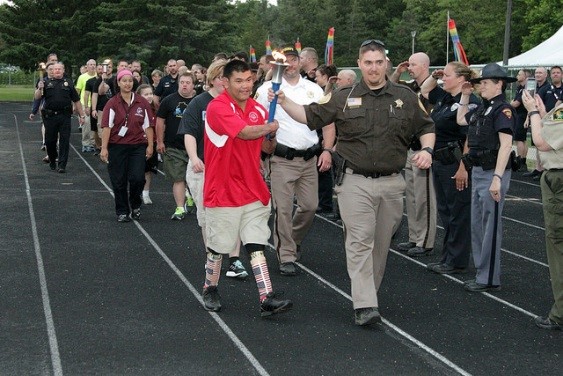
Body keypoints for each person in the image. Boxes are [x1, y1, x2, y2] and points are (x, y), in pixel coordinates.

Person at [270, 39, 435, 325]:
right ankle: (365, 305)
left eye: (378, 62)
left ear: (386, 64)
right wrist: (284, 102)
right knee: (360, 241)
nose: (373, 68)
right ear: (359, 65)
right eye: (367, 62)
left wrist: (427, 150)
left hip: (393, 183)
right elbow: (310, 115)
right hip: (354, 182)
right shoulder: (342, 95)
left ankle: (368, 293)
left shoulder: (405, 96)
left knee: (380, 245)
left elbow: (426, 127)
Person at [200, 59, 292, 316]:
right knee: (219, 245)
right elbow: (243, 133)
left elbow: (266, 148)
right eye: (238, 81)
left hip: (253, 187)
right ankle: (210, 287)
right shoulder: (217, 107)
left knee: (256, 243)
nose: (245, 86)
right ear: (225, 82)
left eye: (249, 80)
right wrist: (270, 127)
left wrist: (271, 135)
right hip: (223, 189)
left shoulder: (258, 109)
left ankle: (266, 296)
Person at [255, 45, 334, 276]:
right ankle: (286, 254)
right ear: (276, 65)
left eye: (293, 60)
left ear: (300, 62)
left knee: (309, 207)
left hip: (309, 157)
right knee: (283, 209)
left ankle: (292, 239)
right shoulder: (266, 89)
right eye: (284, 61)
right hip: (281, 158)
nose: (289, 64)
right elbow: (258, 122)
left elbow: (328, 122)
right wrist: (259, 154)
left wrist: (327, 150)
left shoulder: (314, 90)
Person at [178, 59, 249, 279]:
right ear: (212, 79)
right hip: (204, 167)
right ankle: (213, 257)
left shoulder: (237, 103)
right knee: (208, 216)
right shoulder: (199, 103)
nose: (223, 82)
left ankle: (235, 260)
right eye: (220, 78)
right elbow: (189, 132)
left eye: (227, 79)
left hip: (232, 167)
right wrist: (193, 157)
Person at [456, 63, 515, 292]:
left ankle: (489, 277)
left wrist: (498, 178)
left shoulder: (503, 110)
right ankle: (482, 272)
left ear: (499, 84)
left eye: (485, 83)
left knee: (490, 226)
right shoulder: (483, 108)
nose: (481, 87)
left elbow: (506, 145)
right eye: (481, 83)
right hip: (479, 171)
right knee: (479, 224)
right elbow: (461, 119)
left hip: (492, 172)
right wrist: (464, 94)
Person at [417, 62, 480, 273]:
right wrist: (435, 76)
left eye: (448, 75)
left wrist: (463, 167)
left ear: (462, 80)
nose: (444, 79)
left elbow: (469, 137)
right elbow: (425, 90)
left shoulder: (469, 102)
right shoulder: (445, 98)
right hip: (440, 161)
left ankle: (457, 261)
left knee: (458, 212)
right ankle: (448, 258)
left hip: (455, 162)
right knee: (446, 211)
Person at [522, 89, 563, 330]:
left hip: (558, 181)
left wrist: (534, 113)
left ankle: (560, 312)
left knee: (557, 246)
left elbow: (542, 143)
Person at [391, 53, 437, 257]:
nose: (409, 67)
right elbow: (390, 89)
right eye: (408, 64)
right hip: (409, 147)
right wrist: (397, 72)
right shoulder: (410, 87)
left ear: (425, 66)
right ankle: (413, 236)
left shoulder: (434, 89)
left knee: (424, 197)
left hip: (422, 148)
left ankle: (425, 241)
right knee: (411, 196)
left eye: (413, 64)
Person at [100, 70, 155, 222]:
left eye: (130, 81)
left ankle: (135, 204)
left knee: (137, 178)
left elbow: (148, 126)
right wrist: (104, 148)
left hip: (138, 146)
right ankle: (122, 211)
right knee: (119, 181)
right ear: (118, 83)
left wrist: (150, 145)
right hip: (117, 146)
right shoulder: (112, 103)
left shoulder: (142, 102)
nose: (127, 83)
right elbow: (106, 127)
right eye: (124, 81)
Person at [155, 72, 197, 220]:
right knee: (178, 177)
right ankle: (180, 208)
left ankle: (191, 197)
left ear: (193, 85)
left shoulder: (199, 101)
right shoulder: (169, 100)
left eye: (188, 82)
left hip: (196, 148)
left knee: (193, 178)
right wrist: (159, 141)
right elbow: (160, 121)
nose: (184, 85)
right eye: (182, 82)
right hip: (174, 146)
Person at [34, 62, 86, 173]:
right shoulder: (46, 83)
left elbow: (76, 100)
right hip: (50, 116)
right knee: (50, 141)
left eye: (59, 69)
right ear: (52, 71)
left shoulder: (69, 83)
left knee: (64, 140)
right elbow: (37, 97)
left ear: (63, 70)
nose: (57, 71)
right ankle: (52, 159)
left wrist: (81, 115)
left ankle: (62, 165)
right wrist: (39, 88)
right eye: (55, 69)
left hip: (64, 116)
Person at [524, 67, 549, 180]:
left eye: (540, 73)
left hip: (545, 119)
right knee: (536, 145)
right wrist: (528, 118)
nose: (538, 75)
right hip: (534, 117)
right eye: (536, 73)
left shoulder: (549, 88)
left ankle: (543, 169)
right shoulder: (533, 87)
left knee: (542, 144)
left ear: (546, 75)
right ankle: (538, 168)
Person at [136, 84, 158, 205]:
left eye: (151, 93)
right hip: (138, 143)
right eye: (146, 94)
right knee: (137, 170)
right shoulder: (136, 108)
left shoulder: (155, 108)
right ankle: (136, 192)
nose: (149, 96)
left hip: (151, 143)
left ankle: (146, 193)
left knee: (148, 170)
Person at [510, 69, 532, 171]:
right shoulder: (519, 88)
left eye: (519, 74)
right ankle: (523, 161)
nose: (517, 76)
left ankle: (521, 161)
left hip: (522, 115)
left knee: (519, 139)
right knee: (522, 139)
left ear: (525, 77)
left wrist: (510, 103)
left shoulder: (524, 89)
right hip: (520, 115)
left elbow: (515, 103)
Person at [75, 59, 98, 152]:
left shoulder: (98, 77)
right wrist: (75, 104)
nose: (92, 66)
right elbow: (78, 91)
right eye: (90, 64)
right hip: (85, 104)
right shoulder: (82, 77)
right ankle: (85, 143)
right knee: (86, 124)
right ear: (87, 66)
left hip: (95, 104)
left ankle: (93, 143)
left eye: (94, 64)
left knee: (96, 125)